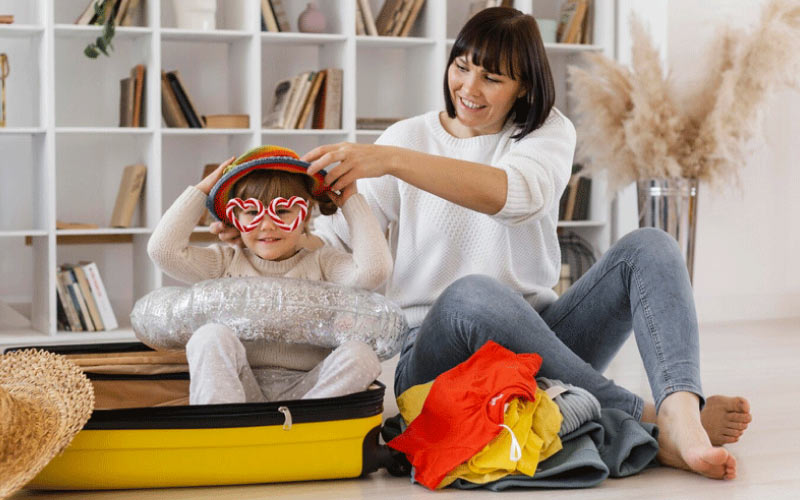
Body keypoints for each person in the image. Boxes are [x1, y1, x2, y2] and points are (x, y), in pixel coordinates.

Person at [212, 8, 750, 480]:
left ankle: (681, 408)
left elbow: (515, 196)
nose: (469, 87)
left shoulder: (544, 133)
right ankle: (648, 416)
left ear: (524, 88)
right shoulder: (407, 136)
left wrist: (392, 161)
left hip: (541, 341)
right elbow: (331, 243)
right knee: (472, 294)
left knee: (651, 244)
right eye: (461, 66)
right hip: (431, 354)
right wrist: (264, 235)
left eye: (492, 77)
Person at [148, 146, 392, 405]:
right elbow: (163, 251)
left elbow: (374, 270)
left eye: (283, 211)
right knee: (209, 336)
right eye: (252, 213)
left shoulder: (322, 263)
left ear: (304, 214)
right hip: (239, 391)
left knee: (361, 354)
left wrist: (350, 201)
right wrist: (203, 189)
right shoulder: (225, 262)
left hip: (309, 393)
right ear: (235, 218)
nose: (267, 225)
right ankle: (222, 435)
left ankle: (299, 435)